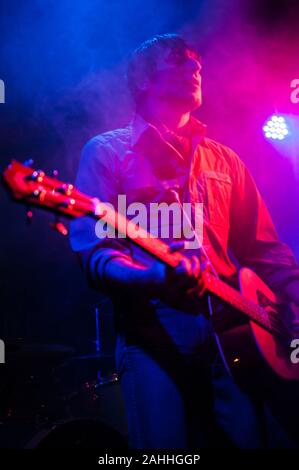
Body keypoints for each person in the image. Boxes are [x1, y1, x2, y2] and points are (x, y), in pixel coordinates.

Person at [70, 34, 299, 448]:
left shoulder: (226, 160)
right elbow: (96, 253)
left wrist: (295, 297)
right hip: (151, 337)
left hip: (235, 339)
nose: (195, 69)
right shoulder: (106, 153)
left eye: (197, 63)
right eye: (178, 62)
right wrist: (154, 275)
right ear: (142, 80)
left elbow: (267, 252)